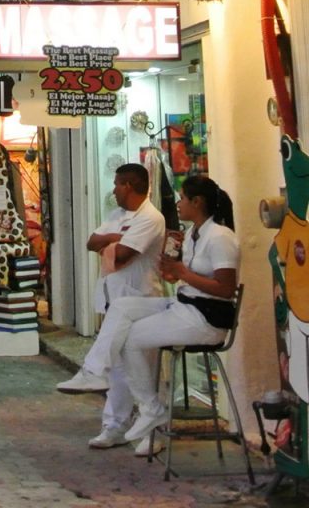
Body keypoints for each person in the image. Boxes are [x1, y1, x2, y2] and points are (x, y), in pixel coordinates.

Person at [57, 175, 237, 451]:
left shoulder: (220, 237)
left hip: (205, 317)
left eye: (183, 198)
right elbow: (179, 275)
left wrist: (183, 273)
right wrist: (173, 269)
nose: (178, 203)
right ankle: (94, 371)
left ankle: (150, 409)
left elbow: (225, 288)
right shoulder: (193, 234)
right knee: (121, 308)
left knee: (130, 339)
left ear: (197, 202)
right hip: (184, 304)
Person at [56, 163, 165, 455]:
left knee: (144, 367)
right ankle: (115, 425)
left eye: (117, 184)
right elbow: (92, 242)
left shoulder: (151, 218)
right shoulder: (116, 215)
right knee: (118, 367)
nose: (113, 190)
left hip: (141, 299)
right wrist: (113, 240)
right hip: (113, 299)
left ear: (128, 185)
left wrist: (114, 244)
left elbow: (124, 255)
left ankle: (152, 431)